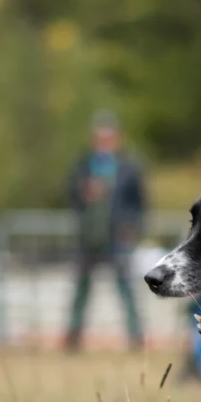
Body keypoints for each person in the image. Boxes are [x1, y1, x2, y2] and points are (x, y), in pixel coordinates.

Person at [64, 110, 146, 350]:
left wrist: (131, 228)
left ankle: (136, 338)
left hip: (117, 238)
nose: (104, 142)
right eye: (100, 137)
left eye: (109, 137)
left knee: (126, 290)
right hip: (89, 238)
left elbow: (139, 204)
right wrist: (84, 192)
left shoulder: (129, 168)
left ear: (117, 139)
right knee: (81, 290)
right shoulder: (83, 166)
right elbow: (71, 196)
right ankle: (72, 339)